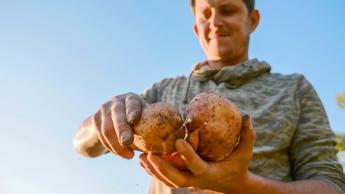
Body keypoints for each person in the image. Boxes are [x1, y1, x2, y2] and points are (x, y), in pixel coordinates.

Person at [73, 0, 345, 193]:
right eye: (205, 15)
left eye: (227, 10)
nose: (214, 22)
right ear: (196, 28)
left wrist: (244, 186)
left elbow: (331, 186)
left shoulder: (293, 90)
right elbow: (82, 144)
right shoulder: (163, 91)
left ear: (252, 20)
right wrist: (101, 126)